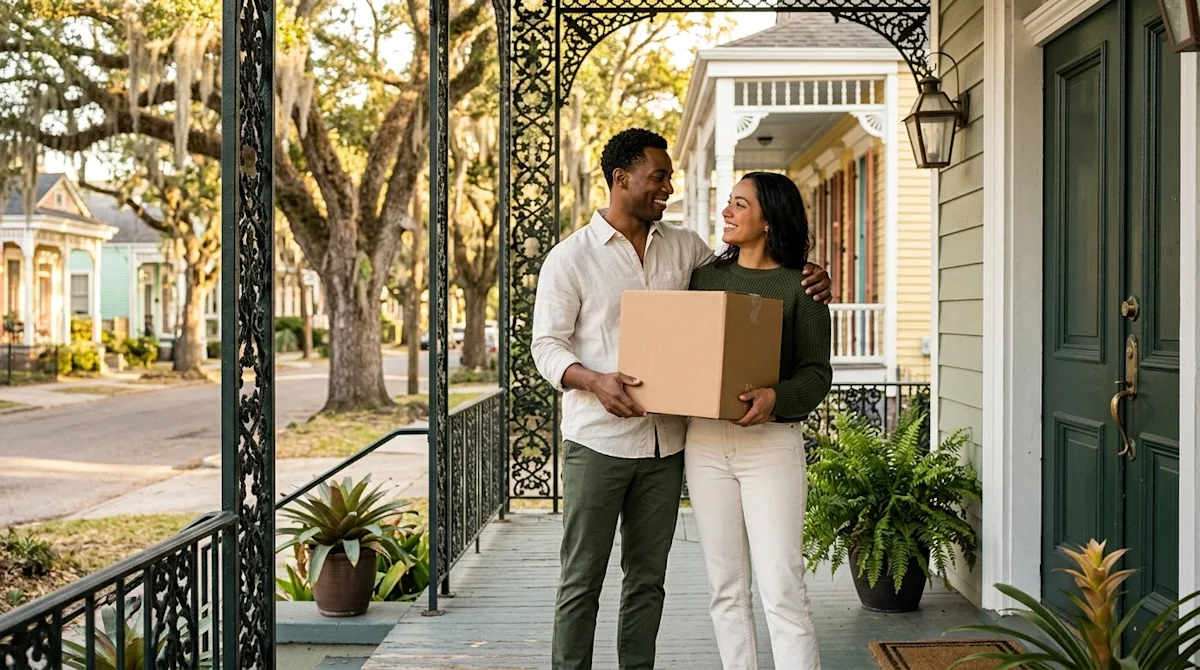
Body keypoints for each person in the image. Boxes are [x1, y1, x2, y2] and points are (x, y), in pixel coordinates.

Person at [531, 129, 833, 670]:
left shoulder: (688, 252)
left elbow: (776, 320)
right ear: (621, 179)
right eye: (659, 177)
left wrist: (813, 275)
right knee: (583, 579)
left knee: (649, 582)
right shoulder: (570, 258)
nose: (669, 188)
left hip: (669, 444)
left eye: (669, 177)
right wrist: (593, 379)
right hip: (599, 441)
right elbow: (546, 346)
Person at [685, 172, 833, 670]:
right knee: (725, 589)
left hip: (770, 446)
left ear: (768, 219)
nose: (726, 211)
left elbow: (816, 376)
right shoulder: (704, 278)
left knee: (782, 587)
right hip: (705, 443)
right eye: (728, 202)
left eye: (739, 204)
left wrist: (776, 396)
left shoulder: (801, 287)